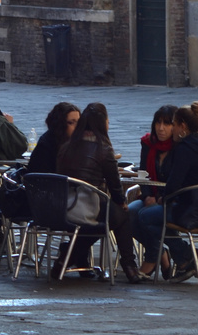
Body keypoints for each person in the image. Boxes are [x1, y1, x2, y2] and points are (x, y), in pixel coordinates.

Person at [133, 100, 198, 282]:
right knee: (142, 213)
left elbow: (173, 186)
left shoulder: (184, 149)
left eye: (172, 124)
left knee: (145, 216)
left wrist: (160, 200)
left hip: (193, 210)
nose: (166, 129)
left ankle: (184, 257)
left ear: (182, 126)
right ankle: (176, 258)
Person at [56, 102, 142, 284]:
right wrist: (121, 202)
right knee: (120, 216)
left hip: (63, 204)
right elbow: (114, 183)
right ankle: (130, 267)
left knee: (104, 219)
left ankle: (67, 254)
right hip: (88, 205)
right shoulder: (103, 148)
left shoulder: (67, 146)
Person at [126, 104, 177, 278]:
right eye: (158, 123)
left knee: (145, 216)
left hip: (169, 199)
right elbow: (143, 173)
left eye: (167, 123)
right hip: (150, 194)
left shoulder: (179, 147)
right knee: (129, 213)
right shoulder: (148, 144)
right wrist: (147, 195)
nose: (161, 128)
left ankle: (151, 259)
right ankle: (161, 253)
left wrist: (160, 198)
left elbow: (177, 180)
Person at [26, 101, 81, 174]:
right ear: (60, 124)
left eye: (79, 122)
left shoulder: (75, 141)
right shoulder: (46, 146)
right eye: (71, 122)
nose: (77, 127)